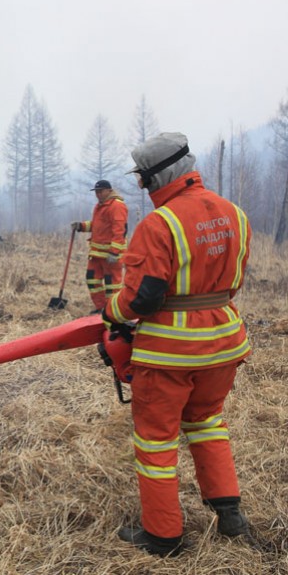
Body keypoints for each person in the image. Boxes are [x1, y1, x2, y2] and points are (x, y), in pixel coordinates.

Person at [102, 132, 252, 557]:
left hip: (170, 354)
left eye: (144, 182)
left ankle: (163, 536)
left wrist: (110, 312)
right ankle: (230, 515)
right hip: (223, 345)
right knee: (207, 423)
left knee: (156, 440)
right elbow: (232, 283)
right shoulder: (235, 214)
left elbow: (140, 299)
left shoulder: (160, 224)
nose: (143, 190)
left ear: (158, 176)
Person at [71, 179, 128, 313]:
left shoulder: (117, 206)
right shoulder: (100, 205)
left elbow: (119, 230)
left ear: (109, 191)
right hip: (96, 254)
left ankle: (112, 312)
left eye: (100, 191)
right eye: (96, 192)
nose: (98, 194)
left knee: (112, 285)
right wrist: (81, 226)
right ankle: (100, 308)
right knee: (92, 280)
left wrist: (114, 252)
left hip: (110, 255)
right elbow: (98, 225)